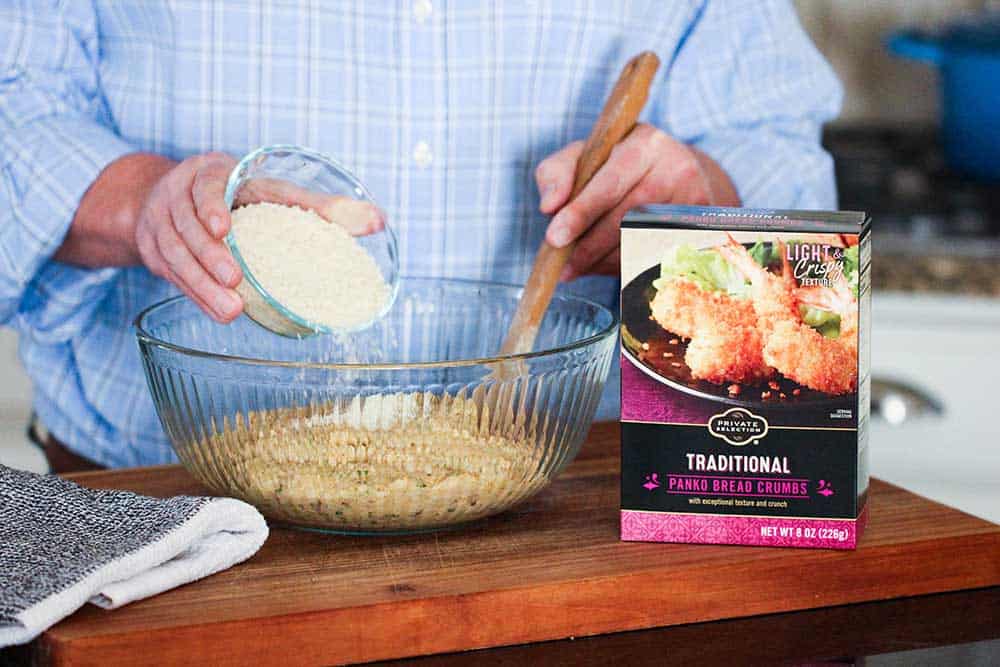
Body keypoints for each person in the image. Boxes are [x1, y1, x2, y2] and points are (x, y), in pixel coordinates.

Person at [0, 1, 841, 471]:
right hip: (155, 500)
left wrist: (700, 193)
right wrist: (147, 199)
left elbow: (776, 151)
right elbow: (17, 107)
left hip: (583, 501)